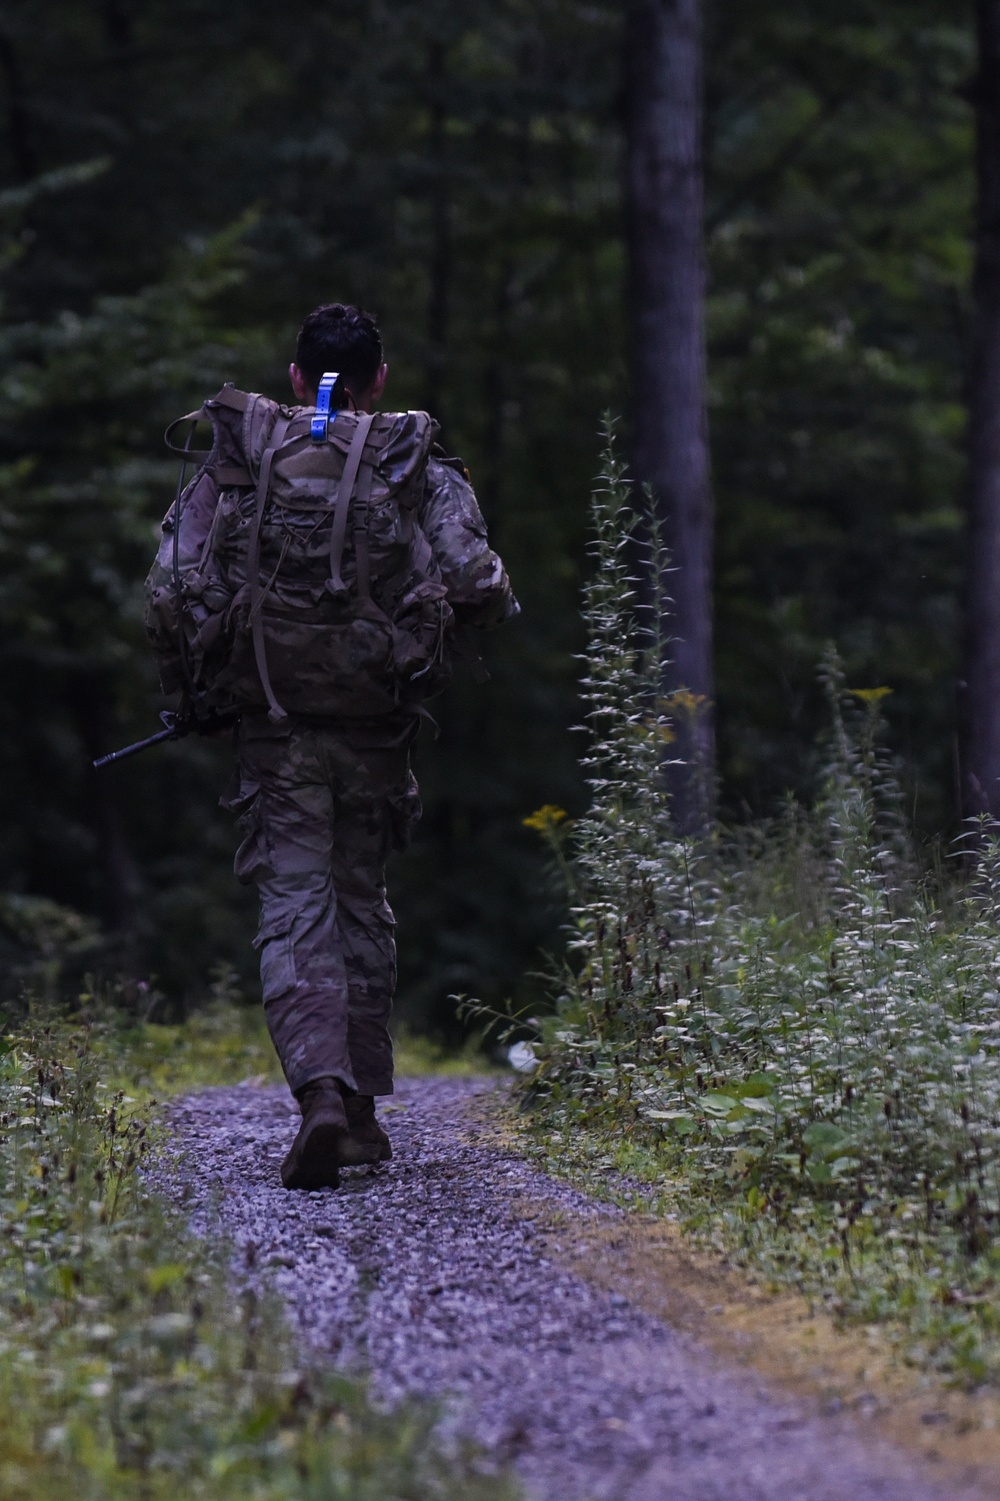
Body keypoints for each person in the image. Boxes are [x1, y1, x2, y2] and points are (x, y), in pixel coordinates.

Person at [148, 304, 517, 1189]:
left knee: (293, 903)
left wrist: (196, 690)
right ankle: (359, 1109)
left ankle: (320, 1094)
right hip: (376, 726)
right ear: (378, 380)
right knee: (361, 903)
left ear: (293, 375)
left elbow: (168, 587)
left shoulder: (244, 452)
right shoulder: (409, 456)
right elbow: (480, 581)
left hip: (274, 728)